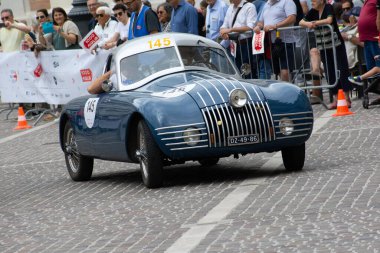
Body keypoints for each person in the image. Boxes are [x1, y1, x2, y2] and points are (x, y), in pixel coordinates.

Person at [300, 0, 352, 109]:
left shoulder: (328, 7)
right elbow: (301, 22)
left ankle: (347, 98)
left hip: (335, 43)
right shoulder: (313, 11)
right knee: (329, 71)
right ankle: (336, 99)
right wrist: (308, 23)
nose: (312, 2)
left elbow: (329, 20)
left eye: (314, 0)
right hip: (323, 45)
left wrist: (314, 23)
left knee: (342, 69)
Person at [254, 0, 297, 82]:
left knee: (285, 71)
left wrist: (275, 26)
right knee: (278, 71)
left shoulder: (287, 1)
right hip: (271, 43)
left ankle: (288, 92)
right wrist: (258, 27)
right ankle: (287, 89)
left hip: (286, 42)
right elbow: (261, 21)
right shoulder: (267, 4)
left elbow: (292, 18)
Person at [220, 0, 257, 78]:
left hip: (246, 44)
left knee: (248, 72)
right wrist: (224, 33)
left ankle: (250, 89)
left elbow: (250, 27)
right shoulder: (230, 7)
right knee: (236, 72)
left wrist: (231, 30)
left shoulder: (250, 6)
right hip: (233, 44)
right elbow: (224, 25)